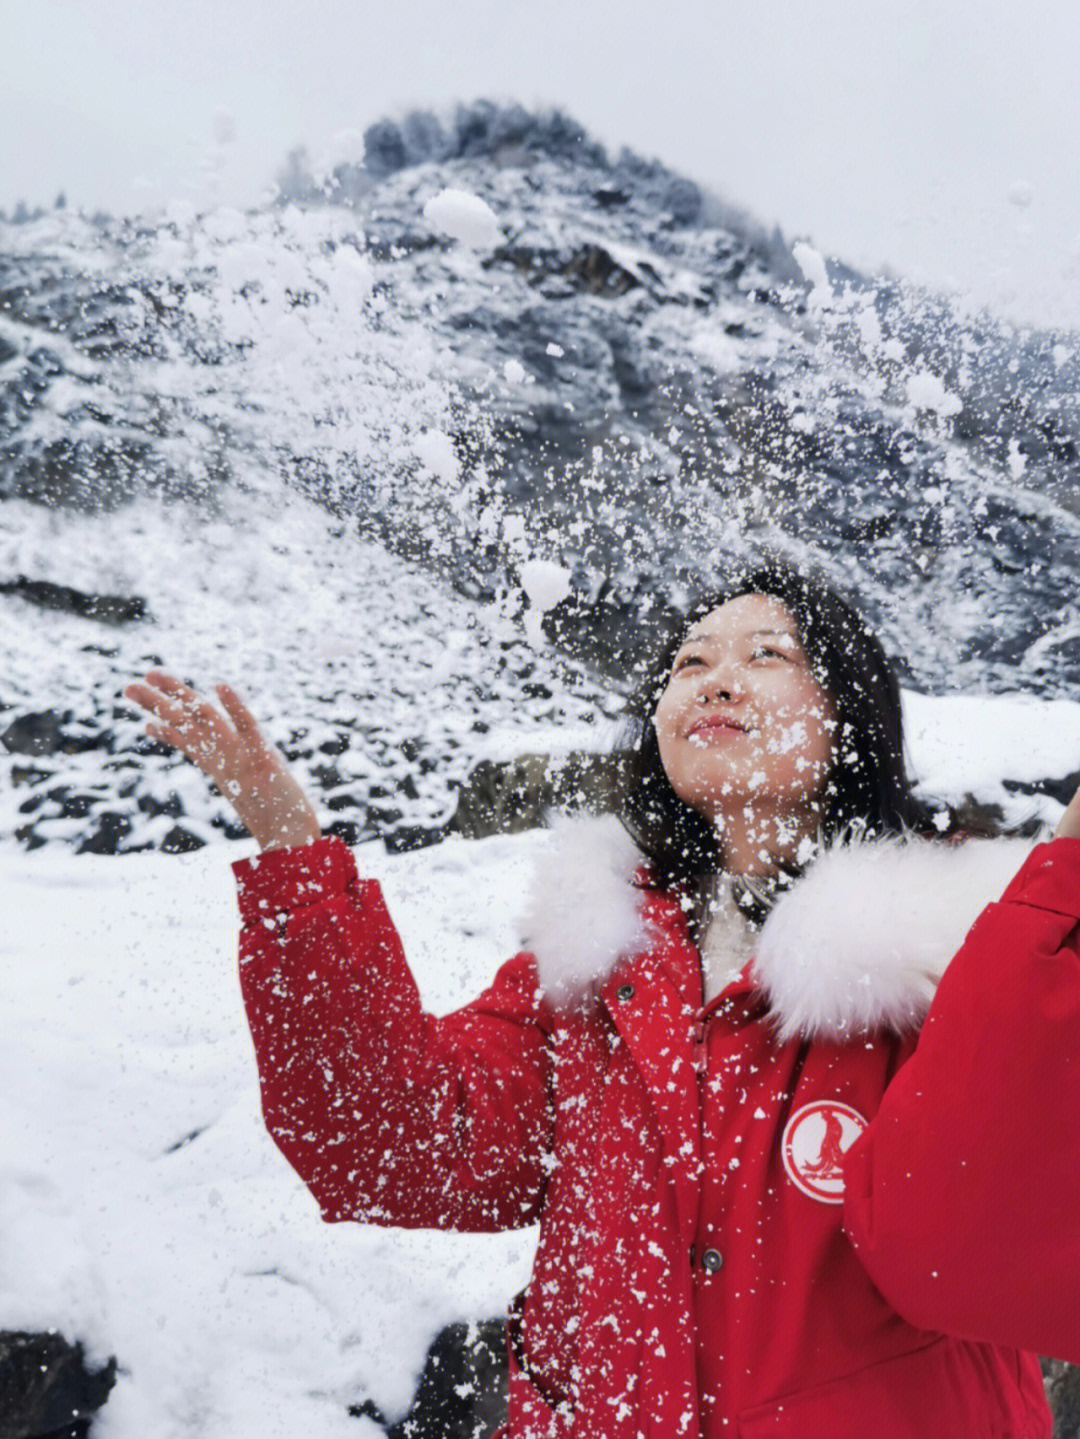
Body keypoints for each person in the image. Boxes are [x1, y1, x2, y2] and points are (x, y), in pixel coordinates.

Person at [126, 558, 1080, 1438]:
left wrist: (1058, 905)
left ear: (847, 716)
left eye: (767, 653)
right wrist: (294, 852)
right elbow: (390, 1143)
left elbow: (980, 1251)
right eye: (687, 660)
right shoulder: (593, 976)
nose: (713, 677)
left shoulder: (965, 961)